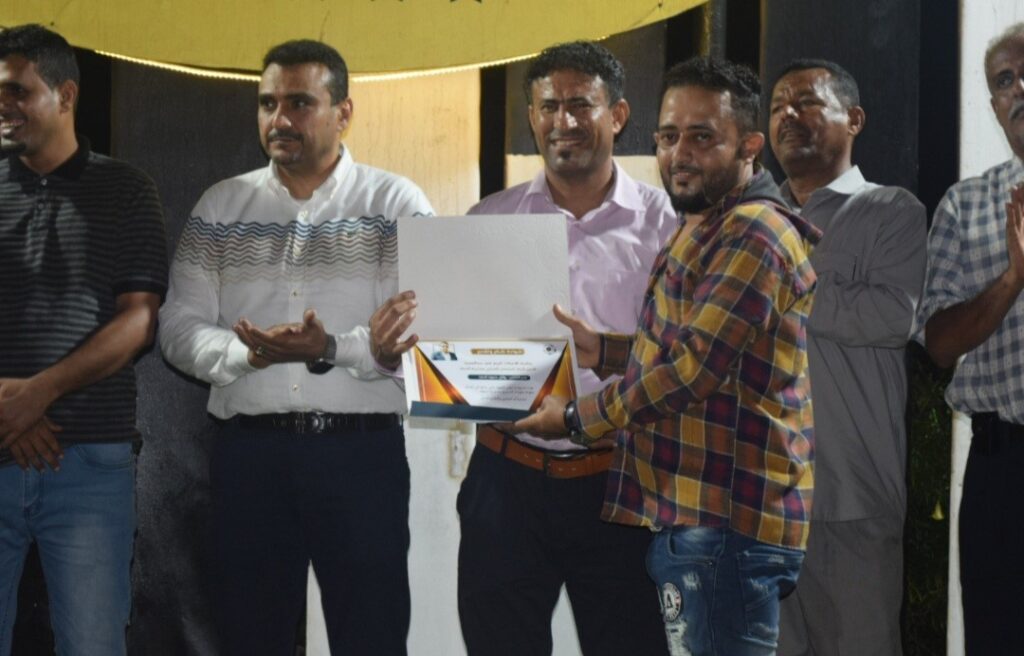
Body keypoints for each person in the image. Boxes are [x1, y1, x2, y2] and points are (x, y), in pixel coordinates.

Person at [514, 56, 820, 656]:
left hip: (726, 521)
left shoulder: (753, 232)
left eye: (702, 137)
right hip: (700, 519)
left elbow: (693, 369)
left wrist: (576, 418)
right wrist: (604, 350)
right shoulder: (707, 224)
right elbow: (692, 353)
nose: (680, 154)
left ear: (749, 146)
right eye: (669, 136)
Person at [158, 39, 432, 656]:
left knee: (372, 640)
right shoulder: (222, 206)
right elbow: (177, 325)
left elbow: (416, 333)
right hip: (250, 460)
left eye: (299, 103)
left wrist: (330, 347)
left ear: (344, 112)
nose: (279, 119)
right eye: (268, 103)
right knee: (252, 640)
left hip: (360, 458)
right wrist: (248, 355)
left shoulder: (397, 203)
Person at [454, 41, 675, 655]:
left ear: (618, 115)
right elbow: (450, 355)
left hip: (622, 479)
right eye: (549, 106)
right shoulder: (485, 222)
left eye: (581, 105)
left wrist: (603, 356)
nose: (564, 121)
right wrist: (401, 350)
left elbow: (684, 359)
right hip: (505, 481)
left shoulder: (666, 226)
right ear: (531, 116)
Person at [0, 24, 168, 656]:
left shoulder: (126, 189)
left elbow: (139, 322)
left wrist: (38, 393)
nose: (2, 105)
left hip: (90, 467)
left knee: (94, 645)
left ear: (66, 95)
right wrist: (9, 405)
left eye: (17, 91)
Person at [767, 59, 926, 656]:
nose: (788, 115)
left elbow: (892, 318)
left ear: (854, 118)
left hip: (853, 498)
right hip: (761, 501)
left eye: (806, 102)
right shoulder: (755, 219)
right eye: (777, 106)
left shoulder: (891, 210)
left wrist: (781, 284)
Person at [917, 22, 1024, 655]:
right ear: (994, 105)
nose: (1020, 88)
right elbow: (936, 344)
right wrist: (1012, 279)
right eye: (1005, 81)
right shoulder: (966, 204)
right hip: (1001, 473)